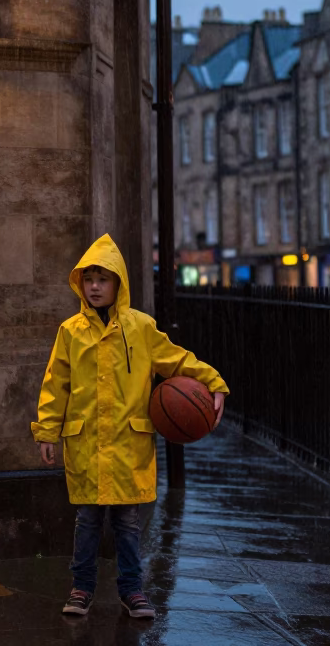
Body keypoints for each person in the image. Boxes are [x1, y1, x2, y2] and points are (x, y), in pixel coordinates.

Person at [31, 234, 229, 619]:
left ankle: (132, 590)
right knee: (87, 521)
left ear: (118, 282)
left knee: (127, 523)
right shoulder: (70, 331)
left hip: (127, 444)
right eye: (88, 278)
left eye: (102, 279)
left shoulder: (141, 328)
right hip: (87, 443)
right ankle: (81, 588)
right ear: (79, 283)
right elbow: (56, 384)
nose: (94, 286)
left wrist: (214, 382)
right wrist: (46, 431)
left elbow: (178, 360)